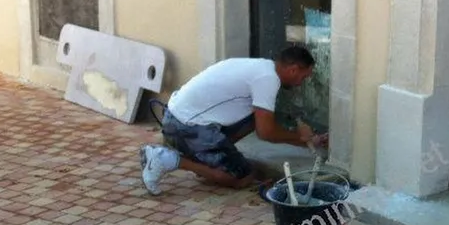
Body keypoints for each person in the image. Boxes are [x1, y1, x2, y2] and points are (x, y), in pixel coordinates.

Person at [139, 45, 327, 195]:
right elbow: (266, 132)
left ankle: (207, 158)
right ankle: (167, 159)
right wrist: (299, 137)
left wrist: (310, 140)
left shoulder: (261, 67)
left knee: (257, 118)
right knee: (240, 177)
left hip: (178, 116)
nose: (301, 83)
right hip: (185, 125)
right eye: (303, 77)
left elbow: (261, 124)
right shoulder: (268, 79)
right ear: (294, 70)